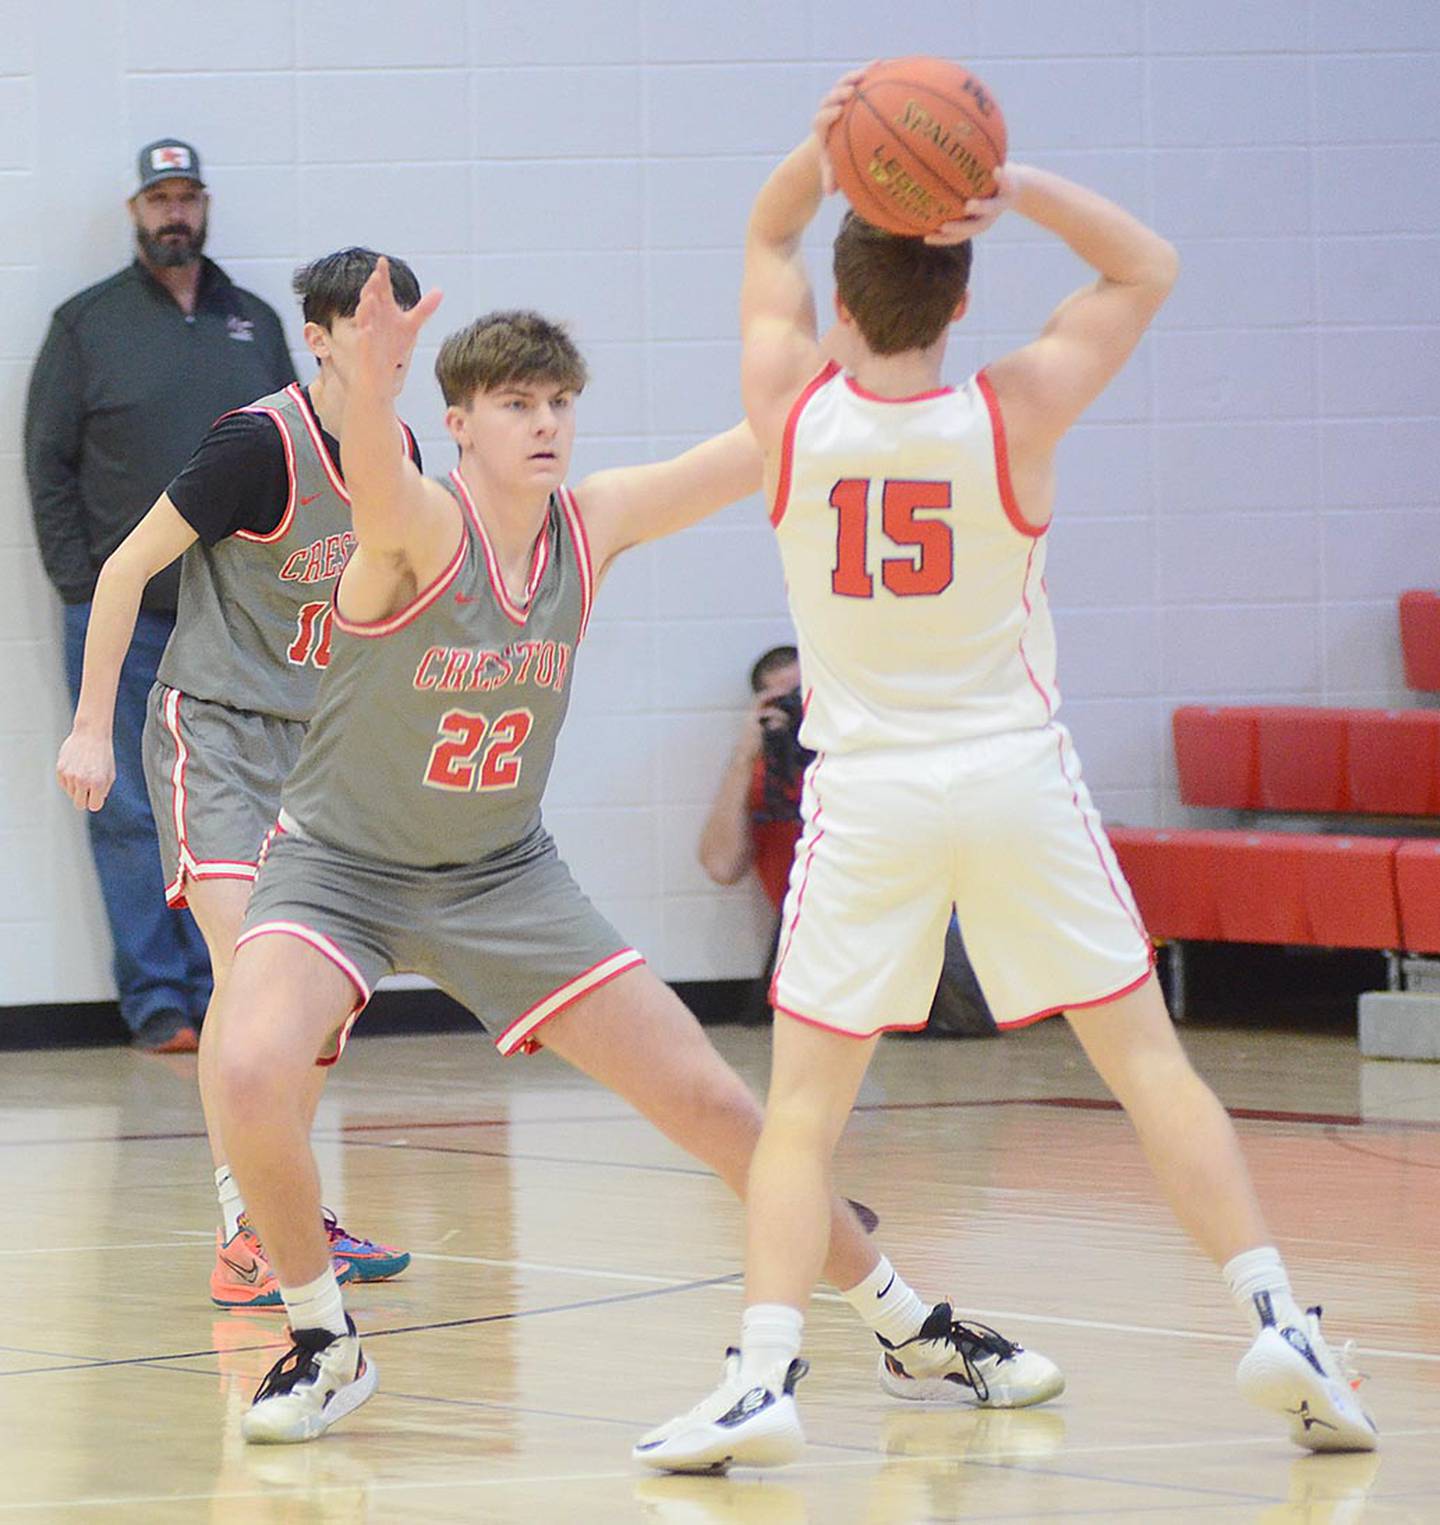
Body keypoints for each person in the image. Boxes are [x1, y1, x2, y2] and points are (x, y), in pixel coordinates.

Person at [638, 74, 1377, 1471]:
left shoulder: (790, 409)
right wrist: (1006, 184)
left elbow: (763, 240)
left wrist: (830, 141)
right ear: (963, 300)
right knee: (1148, 1063)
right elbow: (1146, 265)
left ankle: (762, 1375)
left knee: (802, 1109)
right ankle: (1278, 1314)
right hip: (1014, 780)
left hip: (867, 797)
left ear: (842, 305)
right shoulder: (1017, 406)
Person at [211, 262, 1062, 1445]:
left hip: (504, 874)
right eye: (516, 403)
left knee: (720, 1105)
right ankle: (321, 1337)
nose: (546, 422)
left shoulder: (590, 523)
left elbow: (752, 451)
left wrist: (868, 359)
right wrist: (377, 362)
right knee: (247, 1069)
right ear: (456, 423)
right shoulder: (416, 523)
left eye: (559, 401)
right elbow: (368, 474)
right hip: (339, 868)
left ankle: (913, 1327)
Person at [55, 249, 418, 1309]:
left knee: (315, 998)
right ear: (318, 337)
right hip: (215, 731)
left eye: (405, 322)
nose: (393, 340)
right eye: (371, 323)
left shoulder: (397, 449)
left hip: (321, 749)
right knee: (252, 970)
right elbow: (124, 568)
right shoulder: (260, 445)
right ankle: (248, 1225)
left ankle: (287, 1206)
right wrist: (90, 730)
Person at [27, 138, 296, 1052]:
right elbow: (45, 465)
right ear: (137, 212)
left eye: (187, 196)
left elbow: (300, 453)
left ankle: (243, 996)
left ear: (205, 204)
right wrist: (81, 581)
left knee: (242, 803)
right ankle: (160, 1001)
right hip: (122, 615)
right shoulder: (85, 324)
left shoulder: (255, 321)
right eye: (159, 198)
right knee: (128, 808)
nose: (174, 212)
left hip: (239, 621)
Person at [701, 643, 997, 1035]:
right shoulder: (759, 776)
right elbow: (721, 866)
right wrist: (745, 753)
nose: (801, 707)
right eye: (787, 699)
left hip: (904, 925)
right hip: (829, 940)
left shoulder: (872, 759)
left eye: (809, 693)